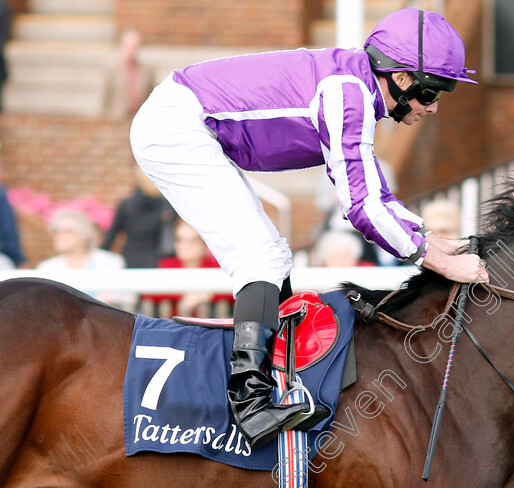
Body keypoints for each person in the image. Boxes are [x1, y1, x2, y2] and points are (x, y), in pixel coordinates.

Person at [129, 8, 489, 448]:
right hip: (176, 127)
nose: (433, 106)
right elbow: (361, 206)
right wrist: (432, 259)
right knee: (259, 256)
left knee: (273, 256)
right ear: (398, 77)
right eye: (433, 90)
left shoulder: (355, 86)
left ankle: (276, 383)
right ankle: (249, 401)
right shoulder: (348, 92)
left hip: (188, 120)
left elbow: (375, 192)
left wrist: (428, 238)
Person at [37, 209, 135, 308]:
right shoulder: (47, 268)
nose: (60, 236)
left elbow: (128, 298)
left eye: (67, 231)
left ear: (83, 236)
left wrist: (110, 300)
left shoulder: (111, 262)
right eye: (56, 231)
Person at [144, 219, 231, 317]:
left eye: (192, 240)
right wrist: (184, 294)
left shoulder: (214, 266)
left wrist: (206, 296)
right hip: (175, 327)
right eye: (179, 239)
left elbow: (234, 290)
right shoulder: (167, 265)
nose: (185, 246)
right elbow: (149, 292)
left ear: (204, 243)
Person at [101, 165, 177, 268]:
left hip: (132, 258)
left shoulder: (127, 205)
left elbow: (110, 237)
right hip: (158, 260)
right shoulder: (168, 206)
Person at [103, 29, 156, 120]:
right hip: (118, 119)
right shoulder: (112, 69)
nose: (131, 51)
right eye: (128, 46)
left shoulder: (148, 70)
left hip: (140, 118)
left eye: (134, 47)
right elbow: (106, 96)